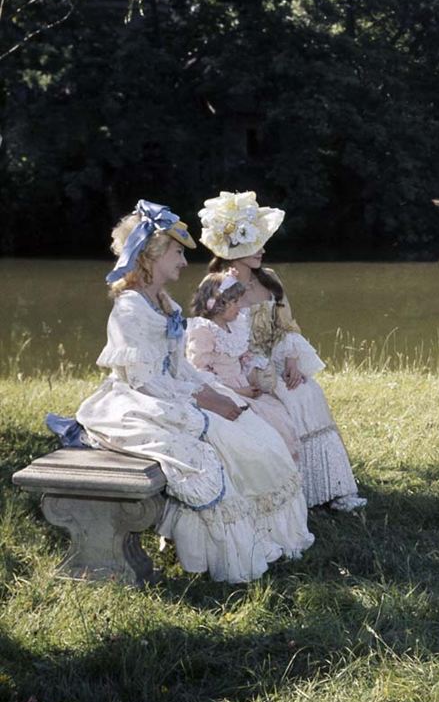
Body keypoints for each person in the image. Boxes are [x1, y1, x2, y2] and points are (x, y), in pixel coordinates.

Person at [74, 201, 314, 583]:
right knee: (224, 442)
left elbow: (182, 367)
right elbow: (145, 381)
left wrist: (216, 393)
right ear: (152, 256)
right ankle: (224, 549)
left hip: (171, 390)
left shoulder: (164, 303)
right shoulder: (130, 309)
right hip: (140, 402)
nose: (185, 262)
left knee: (256, 431)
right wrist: (208, 401)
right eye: (178, 252)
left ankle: (267, 537)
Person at [197, 191, 366, 513]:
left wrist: (292, 361)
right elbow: (212, 336)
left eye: (262, 242)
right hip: (240, 361)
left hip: (276, 353)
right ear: (234, 247)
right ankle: (298, 491)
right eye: (255, 243)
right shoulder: (215, 284)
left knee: (308, 392)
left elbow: (287, 326)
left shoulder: (270, 278)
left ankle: (333, 487)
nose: (262, 249)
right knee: (288, 400)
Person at [185, 271, 301, 464]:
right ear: (220, 303)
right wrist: (238, 391)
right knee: (260, 425)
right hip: (221, 391)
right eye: (236, 302)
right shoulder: (203, 330)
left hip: (243, 386)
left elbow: (243, 357)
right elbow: (199, 372)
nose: (241, 306)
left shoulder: (234, 327)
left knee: (278, 415)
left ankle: (284, 470)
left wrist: (257, 370)